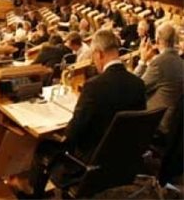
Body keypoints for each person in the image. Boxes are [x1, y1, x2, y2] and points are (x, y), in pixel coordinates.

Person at [26, 30, 146, 198]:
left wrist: (59, 135)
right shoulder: (139, 84)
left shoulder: (94, 86)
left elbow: (72, 134)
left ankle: (34, 196)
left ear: (99, 54)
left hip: (88, 165)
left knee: (43, 147)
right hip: (123, 164)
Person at [134, 23, 184, 138]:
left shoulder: (160, 62)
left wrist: (142, 61)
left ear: (157, 40)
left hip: (156, 123)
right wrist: (149, 62)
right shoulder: (181, 62)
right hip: (172, 123)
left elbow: (136, 87)